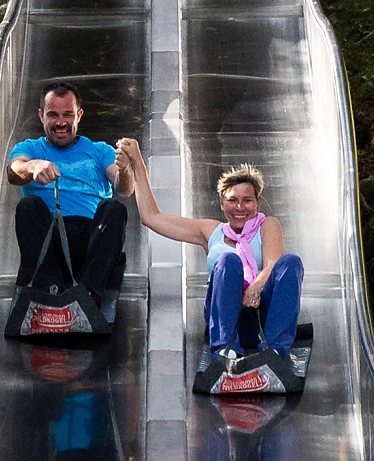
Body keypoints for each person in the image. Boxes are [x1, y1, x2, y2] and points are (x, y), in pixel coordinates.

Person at [127, 149, 303, 358]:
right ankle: (225, 351)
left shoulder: (267, 225)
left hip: (259, 317)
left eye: (247, 200)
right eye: (232, 200)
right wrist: (137, 162)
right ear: (221, 202)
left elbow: (272, 263)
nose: (239, 207)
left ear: (258, 202)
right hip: (226, 317)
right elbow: (151, 217)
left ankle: (275, 352)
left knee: (291, 262)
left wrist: (256, 286)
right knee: (229, 260)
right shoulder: (210, 230)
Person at [7, 82, 137, 308]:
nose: (60, 122)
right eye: (53, 115)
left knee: (114, 208)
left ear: (79, 115)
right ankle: (48, 290)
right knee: (28, 206)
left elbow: (124, 188)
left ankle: (88, 294)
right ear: (41, 116)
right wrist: (33, 167)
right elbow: (14, 170)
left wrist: (125, 169)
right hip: (49, 240)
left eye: (68, 114)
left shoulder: (99, 151)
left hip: (90, 240)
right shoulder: (30, 148)